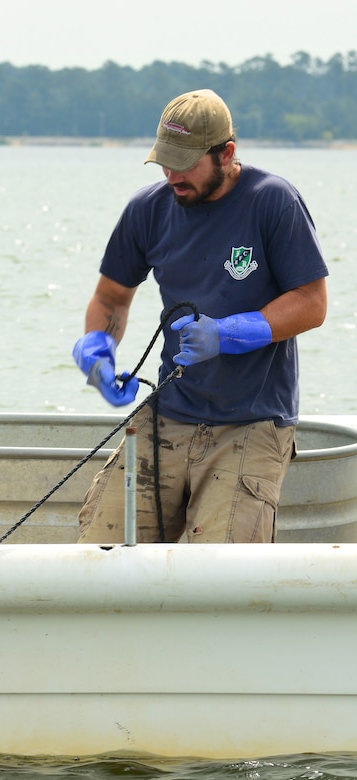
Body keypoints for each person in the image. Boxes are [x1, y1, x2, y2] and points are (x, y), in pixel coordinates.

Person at [72, 88, 328, 544]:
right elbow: (112, 297)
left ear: (227, 153)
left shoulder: (274, 201)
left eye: (186, 163)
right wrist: (97, 349)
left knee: (221, 572)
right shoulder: (147, 209)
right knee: (101, 547)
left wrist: (233, 332)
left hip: (251, 421)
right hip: (170, 412)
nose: (173, 175)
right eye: (165, 162)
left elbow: (312, 302)